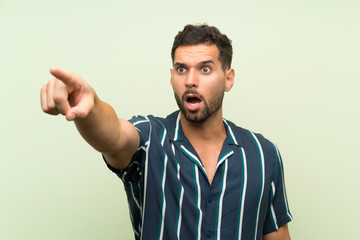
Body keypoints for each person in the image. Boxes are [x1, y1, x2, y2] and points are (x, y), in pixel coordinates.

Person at [40, 24, 292, 240]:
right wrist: (89, 104)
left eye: (205, 69)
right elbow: (114, 136)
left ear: (228, 79)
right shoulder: (150, 139)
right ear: (172, 77)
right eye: (182, 69)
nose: (191, 80)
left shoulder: (263, 154)